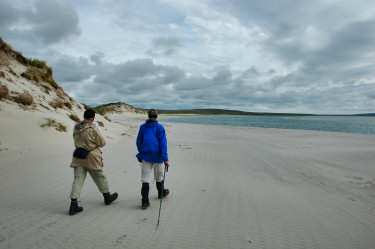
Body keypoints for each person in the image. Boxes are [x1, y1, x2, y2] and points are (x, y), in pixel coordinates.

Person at [68, 109, 118, 215]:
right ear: (93, 118)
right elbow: (102, 143)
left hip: (78, 155)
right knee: (100, 176)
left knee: (78, 179)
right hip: (91, 157)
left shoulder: (76, 127)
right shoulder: (92, 129)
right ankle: (107, 196)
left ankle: (73, 203)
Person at [136, 109, 170, 209]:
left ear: (148, 116)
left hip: (146, 156)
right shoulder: (159, 127)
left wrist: (142, 153)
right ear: (156, 116)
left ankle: (145, 201)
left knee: (145, 179)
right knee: (159, 177)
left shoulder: (143, 127)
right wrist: (165, 158)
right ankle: (161, 193)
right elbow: (163, 144)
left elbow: (139, 142)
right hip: (157, 156)